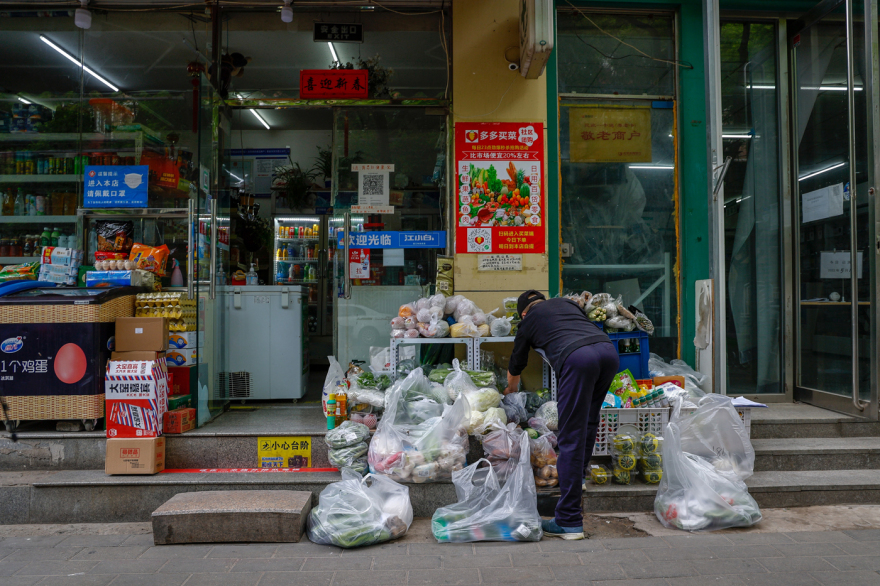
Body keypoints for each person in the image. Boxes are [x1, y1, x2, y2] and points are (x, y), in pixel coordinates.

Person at [504, 290, 619, 540]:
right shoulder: (567, 304)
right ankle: (578, 479)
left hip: (578, 358)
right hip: (608, 352)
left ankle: (568, 521)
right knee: (588, 422)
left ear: (523, 313)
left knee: (570, 436)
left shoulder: (527, 321)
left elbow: (516, 364)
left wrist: (510, 390)